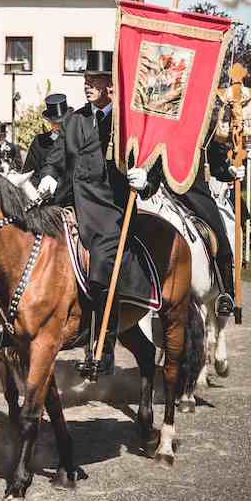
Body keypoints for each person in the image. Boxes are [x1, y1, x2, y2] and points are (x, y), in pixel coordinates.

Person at [51, 50, 152, 377]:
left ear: (111, 86)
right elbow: (56, 158)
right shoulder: (73, 119)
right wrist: (48, 175)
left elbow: (149, 159)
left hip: (110, 211)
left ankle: (103, 346)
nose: (87, 85)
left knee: (100, 269)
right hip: (70, 203)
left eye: (93, 80)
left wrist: (144, 176)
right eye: (85, 80)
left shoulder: (127, 123)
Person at [138, 134, 244, 316]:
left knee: (219, 233)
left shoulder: (200, 123)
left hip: (193, 191)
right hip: (154, 189)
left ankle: (226, 291)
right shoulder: (158, 121)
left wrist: (229, 172)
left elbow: (215, 160)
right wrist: (143, 182)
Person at [23, 93, 73, 194]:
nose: (59, 126)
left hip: (71, 196)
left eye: (62, 123)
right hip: (44, 196)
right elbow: (29, 173)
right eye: (55, 123)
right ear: (49, 122)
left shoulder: (75, 138)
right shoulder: (39, 142)